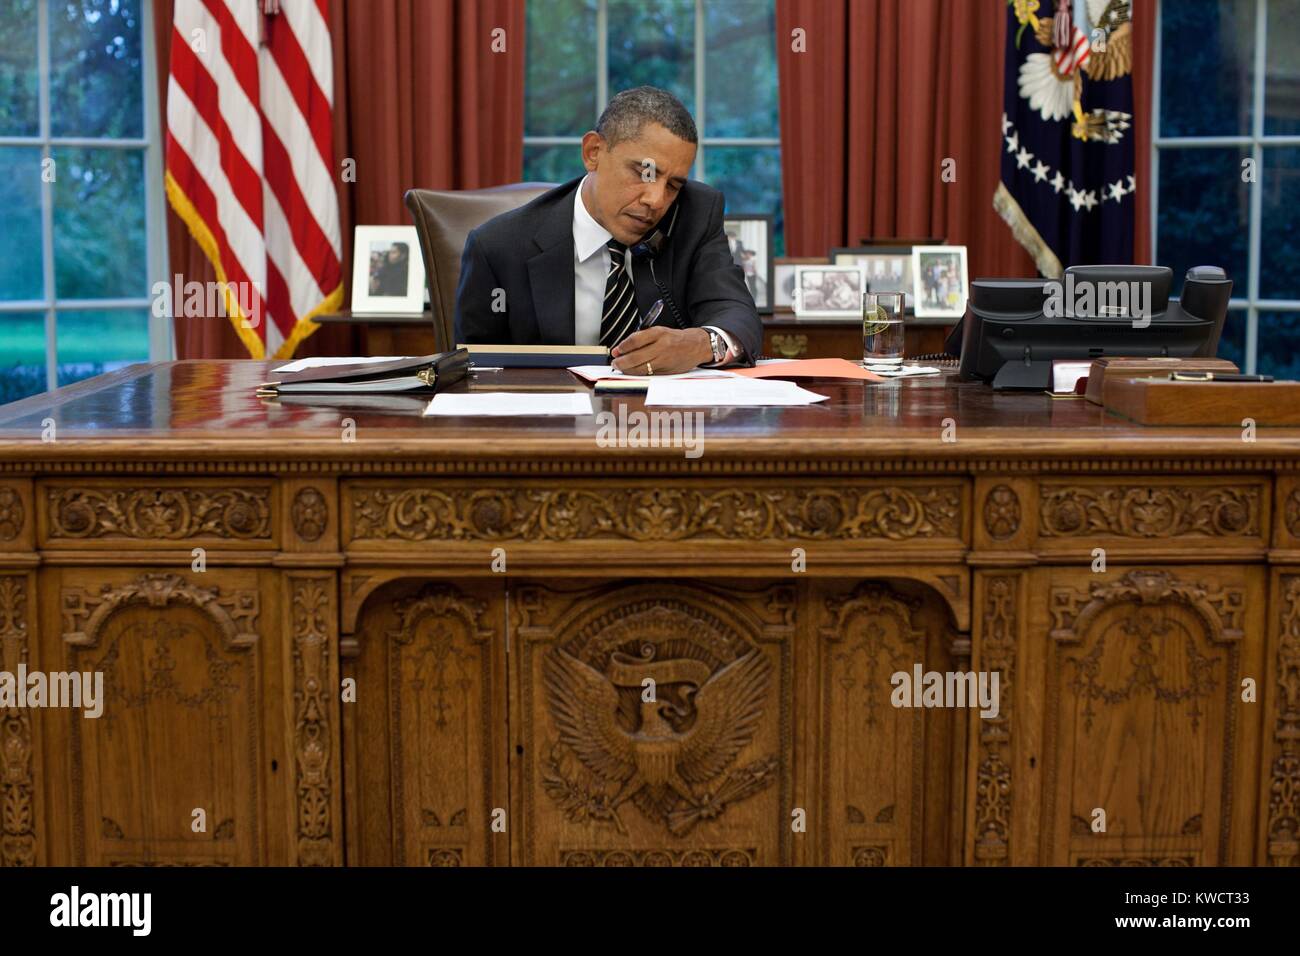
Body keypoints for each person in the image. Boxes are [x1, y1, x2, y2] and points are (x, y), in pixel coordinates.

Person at [455, 86, 761, 373]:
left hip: (665, 422)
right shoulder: (498, 247)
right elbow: (474, 372)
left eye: (673, 185)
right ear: (593, 152)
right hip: (550, 421)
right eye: (644, 172)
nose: (656, 200)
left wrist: (700, 344)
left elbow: (737, 314)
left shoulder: (695, 214)